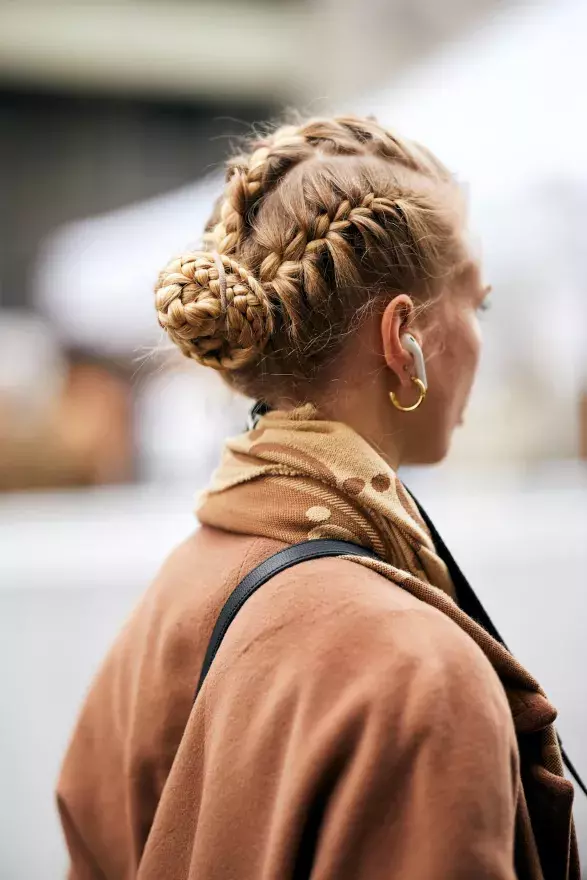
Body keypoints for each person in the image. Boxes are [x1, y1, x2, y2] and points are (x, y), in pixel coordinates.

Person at [57, 115, 579, 879]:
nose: (479, 338)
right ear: (402, 340)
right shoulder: (421, 675)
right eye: (478, 304)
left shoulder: (175, 592)